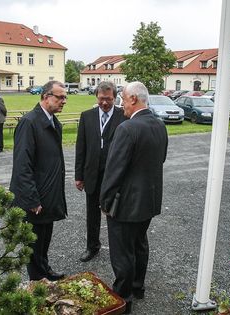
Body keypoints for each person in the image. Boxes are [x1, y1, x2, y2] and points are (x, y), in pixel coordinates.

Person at [100, 81, 168, 314]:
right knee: (139, 243)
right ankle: (138, 287)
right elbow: (161, 159)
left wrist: (105, 201)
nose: (121, 106)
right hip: (148, 201)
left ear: (133, 99)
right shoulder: (160, 125)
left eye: (122, 100)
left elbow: (113, 170)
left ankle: (123, 297)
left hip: (126, 204)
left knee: (122, 252)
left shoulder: (127, 128)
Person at [9, 80, 68, 281]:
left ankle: (45, 270)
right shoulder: (29, 122)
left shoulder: (53, 122)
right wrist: (31, 199)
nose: (64, 101)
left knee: (44, 238)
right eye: (60, 97)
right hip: (36, 197)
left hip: (48, 194)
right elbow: (22, 166)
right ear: (45, 97)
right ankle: (37, 282)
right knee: (33, 244)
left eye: (65, 97)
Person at [75, 81, 126, 262]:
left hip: (115, 177)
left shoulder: (123, 116)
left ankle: (118, 250)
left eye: (109, 99)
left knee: (116, 213)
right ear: (96, 96)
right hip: (92, 175)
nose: (105, 103)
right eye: (102, 99)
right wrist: (79, 176)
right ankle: (92, 247)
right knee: (92, 214)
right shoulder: (87, 116)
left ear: (115, 97)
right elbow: (81, 147)